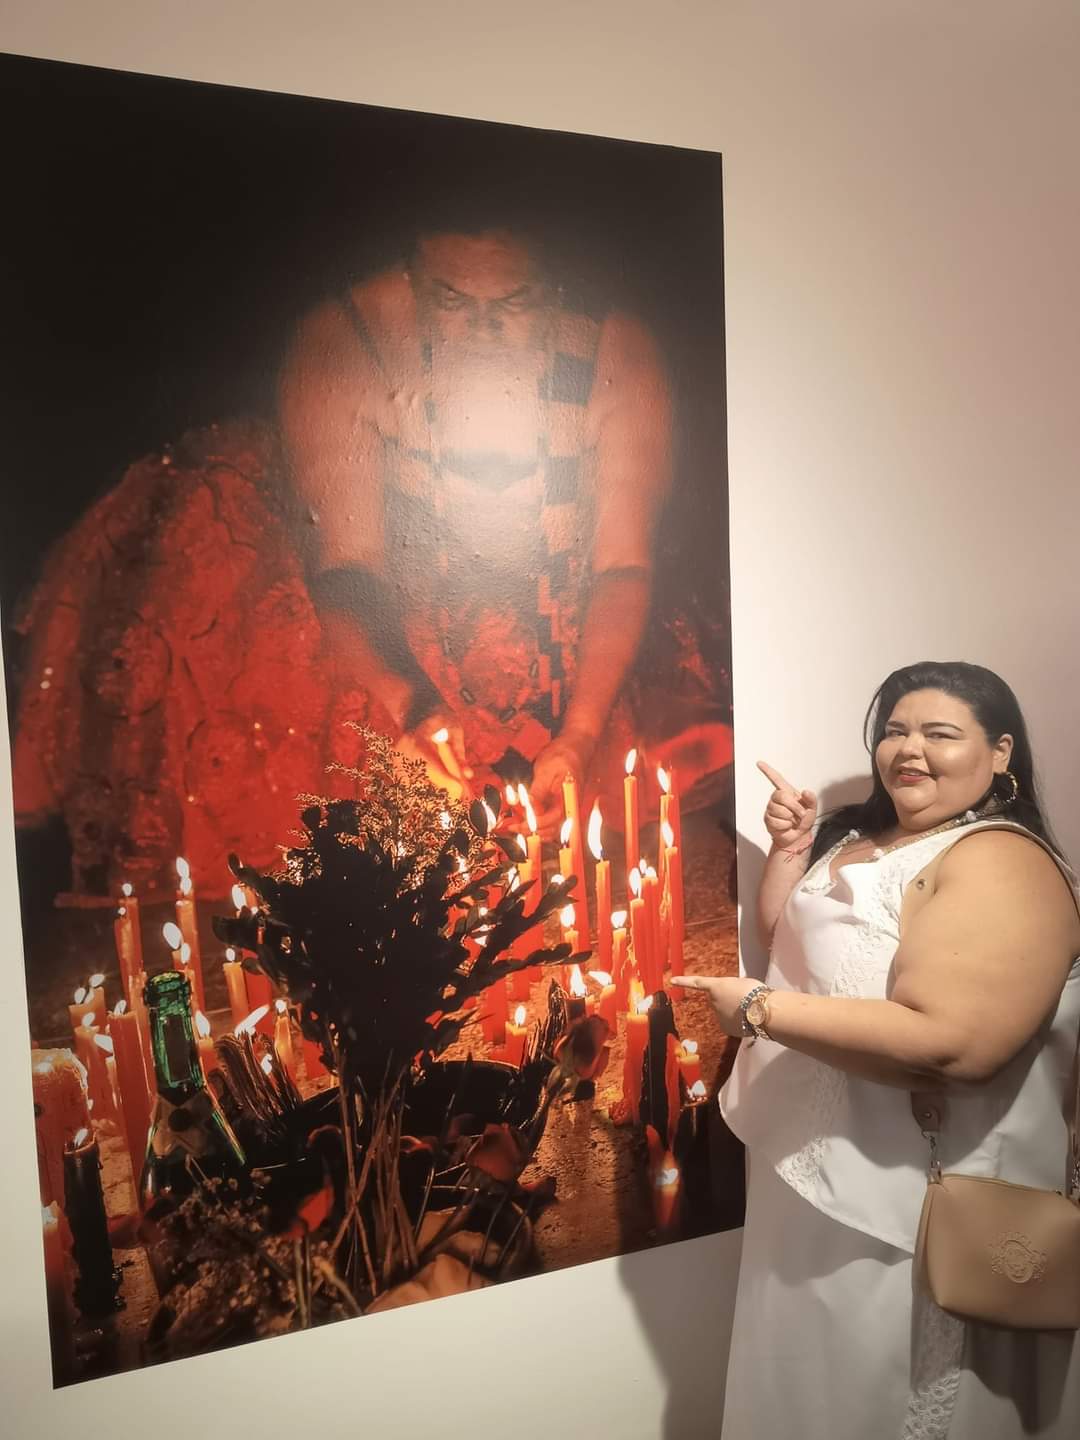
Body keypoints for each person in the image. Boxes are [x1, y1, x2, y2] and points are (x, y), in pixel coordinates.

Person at [11, 217, 732, 894]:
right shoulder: (345, 342)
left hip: (553, 582)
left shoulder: (613, 352)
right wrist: (410, 703)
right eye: (451, 300)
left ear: (553, 286)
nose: (482, 329)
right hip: (383, 588)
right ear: (413, 278)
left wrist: (579, 735)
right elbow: (348, 567)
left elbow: (620, 565)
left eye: (514, 302)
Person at [672, 660, 1080, 1438]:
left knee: (878, 1388)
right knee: (806, 1387)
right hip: (812, 1180)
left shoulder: (1000, 859)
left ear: (1000, 753)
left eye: (939, 733)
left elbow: (955, 1047)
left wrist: (760, 1009)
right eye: (895, 730)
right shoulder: (866, 837)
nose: (909, 749)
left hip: (905, 1199)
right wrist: (791, 850)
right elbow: (798, 946)